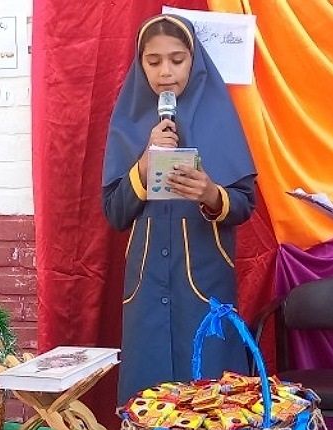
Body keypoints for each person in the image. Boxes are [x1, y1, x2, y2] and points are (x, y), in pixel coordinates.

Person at [102, 14, 257, 405]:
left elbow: (243, 205)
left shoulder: (219, 116)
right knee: (148, 392)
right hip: (147, 281)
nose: (165, 73)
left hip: (204, 281)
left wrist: (210, 193)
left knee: (209, 388)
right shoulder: (129, 123)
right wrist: (143, 162)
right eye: (153, 62)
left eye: (177, 59)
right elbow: (115, 214)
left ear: (194, 61)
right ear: (141, 65)